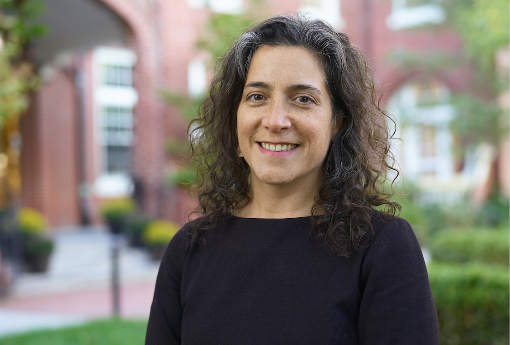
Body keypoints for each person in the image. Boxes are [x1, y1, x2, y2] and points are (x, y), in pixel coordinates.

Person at [146, 14, 439, 345]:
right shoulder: (189, 250)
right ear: (235, 119)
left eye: (303, 99)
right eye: (257, 96)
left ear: (336, 123)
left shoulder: (382, 247)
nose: (275, 120)